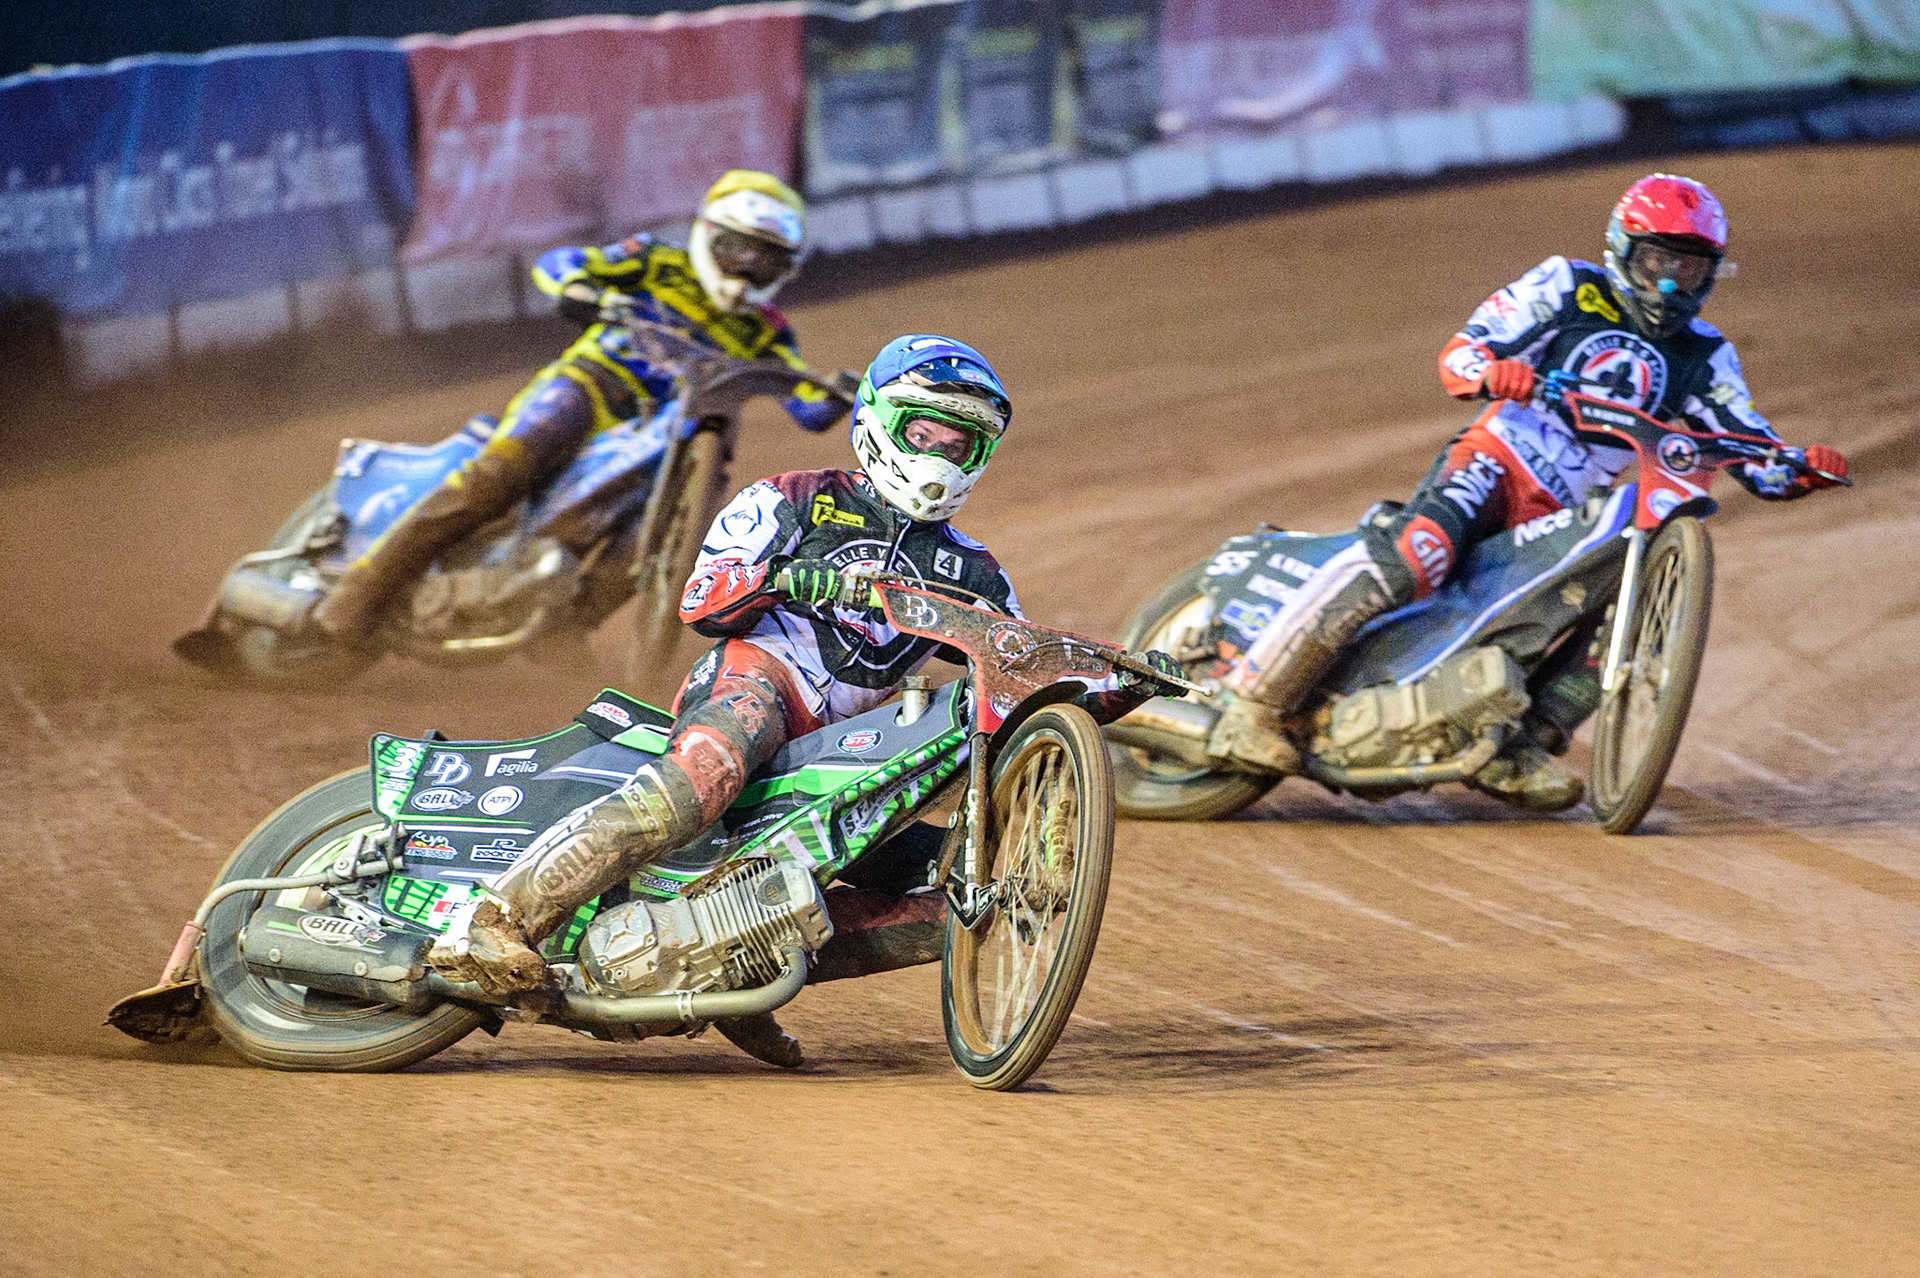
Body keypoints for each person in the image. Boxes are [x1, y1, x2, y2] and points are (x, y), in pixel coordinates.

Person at [428, 335, 1179, 1060]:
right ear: (879, 420)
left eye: (962, 445)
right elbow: (700, 602)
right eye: (926, 432)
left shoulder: (977, 573)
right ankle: (494, 917)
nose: (941, 457)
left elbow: (1013, 671)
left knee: (955, 895)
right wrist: (786, 579)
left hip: (847, 750)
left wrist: (1116, 682)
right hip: (760, 681)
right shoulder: (794, 500)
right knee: (712, 769)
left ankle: (739, 980)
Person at [1206, 173, 1850, 809]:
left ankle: (1517, 740)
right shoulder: (1567, 285)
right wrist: (1495, 370)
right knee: (1419, 556)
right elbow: (1461, 353)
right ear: (1623, 250)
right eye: (1657, 260)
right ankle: (1252, 702)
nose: (1669, 283)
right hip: (1496, 461)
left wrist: (1797, 469)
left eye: (1689, 267)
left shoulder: (1705, 354)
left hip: (1567, 509)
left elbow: (1752, 448)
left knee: (1610, 593)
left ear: (1712, 273)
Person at [312, 169, 850, 643]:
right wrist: (578, 289)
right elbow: (562, 263)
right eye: (739, 248)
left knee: (647, 546)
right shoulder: (654, 262)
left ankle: (560, 634)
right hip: (592, 390)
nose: (746, 268)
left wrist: (840, 392)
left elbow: (806, 405)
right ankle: (362, 592)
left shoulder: (767, 331)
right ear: (709, 235)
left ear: (786, 268)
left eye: (765, 259)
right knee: (497, 477)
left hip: (669, 443)